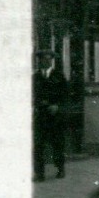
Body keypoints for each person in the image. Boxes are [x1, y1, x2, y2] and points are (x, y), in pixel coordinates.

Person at [32, 48, 68, 181]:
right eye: (43, 59)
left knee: (57, 143)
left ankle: (60, 168)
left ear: (52, 61)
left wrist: (57, 106)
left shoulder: (58, 76)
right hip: (40, 115)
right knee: (38, 144)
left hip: (55, 116)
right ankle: (39, 173)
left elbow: (65, 94)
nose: (46, 62)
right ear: (39, 61)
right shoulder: (35, 77)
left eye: (49, 59)